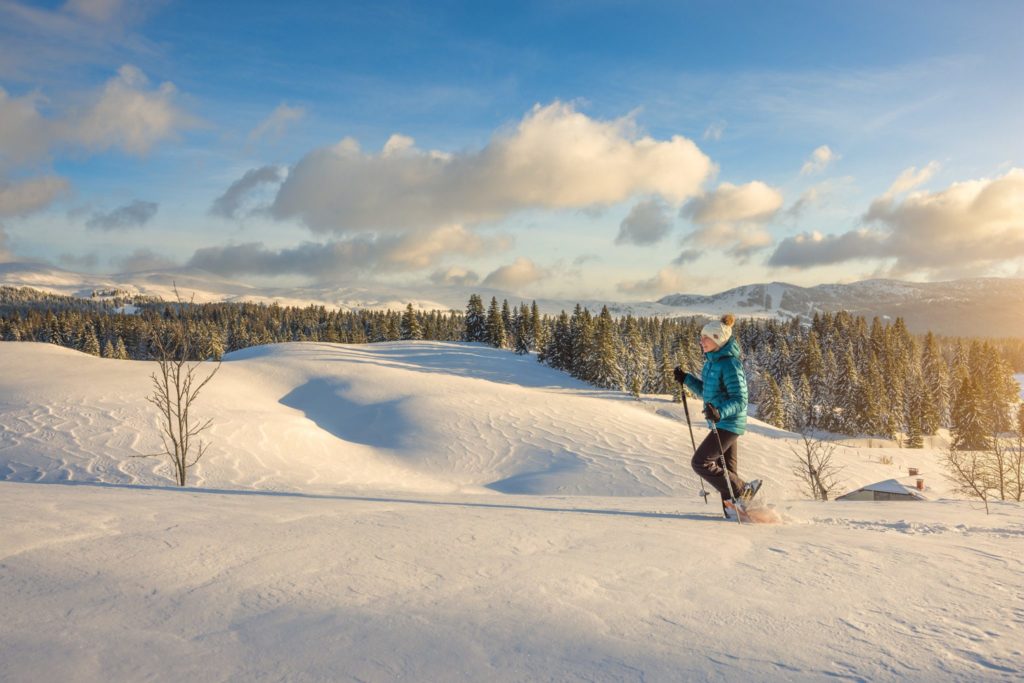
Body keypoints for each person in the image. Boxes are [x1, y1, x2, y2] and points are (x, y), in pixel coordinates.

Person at [674, 313, 761, 519]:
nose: (701, 341)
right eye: (701, 337)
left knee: (701, 462)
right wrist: (686, 379)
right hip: (720, 422)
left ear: (718, 339)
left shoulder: (730, 364)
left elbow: (740, 399)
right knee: (726, 473)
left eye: (706, 338)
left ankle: (744, 490)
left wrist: (720, 412)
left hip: (728, 423)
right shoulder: (712, 363)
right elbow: (708, 392)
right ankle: (737, 513)